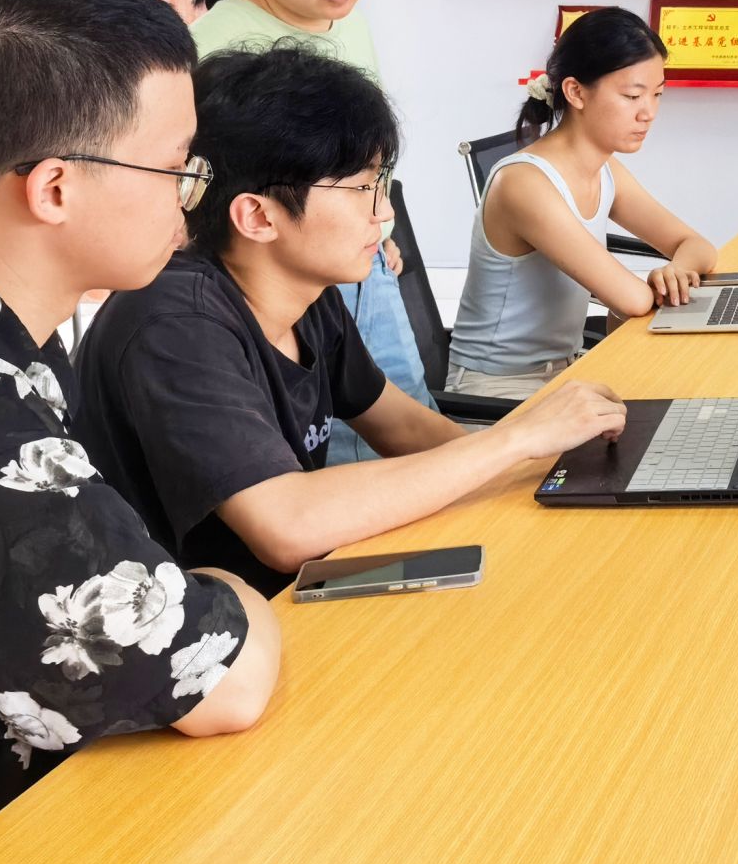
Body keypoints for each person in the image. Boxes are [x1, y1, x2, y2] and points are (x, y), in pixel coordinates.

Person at [0, 0, 280, 864]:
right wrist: (228, 584)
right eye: (175, 166)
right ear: (55, 188)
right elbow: (220, 683)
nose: (189, 192)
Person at [71, 46, 627, 596]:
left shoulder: (306, 293)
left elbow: (403, 428)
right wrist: (517, 439)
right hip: (211, 625)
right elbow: (288, 527)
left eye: (379, 182)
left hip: (291, 592)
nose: (384, 212)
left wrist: (539, 471)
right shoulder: (175, 324)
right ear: (258, 216)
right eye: (361, 187)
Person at [186, 0, 431, 462]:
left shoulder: (349, 22)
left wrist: (375, 225)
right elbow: (193, 187)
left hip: (356, 257)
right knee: (333, 450)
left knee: (407, 416)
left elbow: (361, 152)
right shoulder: (215, 46)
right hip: (277, 278)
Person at [446, 8, 718, 400]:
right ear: (575, 92)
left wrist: (676, 270)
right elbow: (632, 300)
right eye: (632, 96)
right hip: (497, 391)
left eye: (657, 94)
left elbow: (698, 246)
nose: (649, 112)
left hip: (566, 372)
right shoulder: (524, 183)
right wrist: (661, 281)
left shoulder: (606, 170)